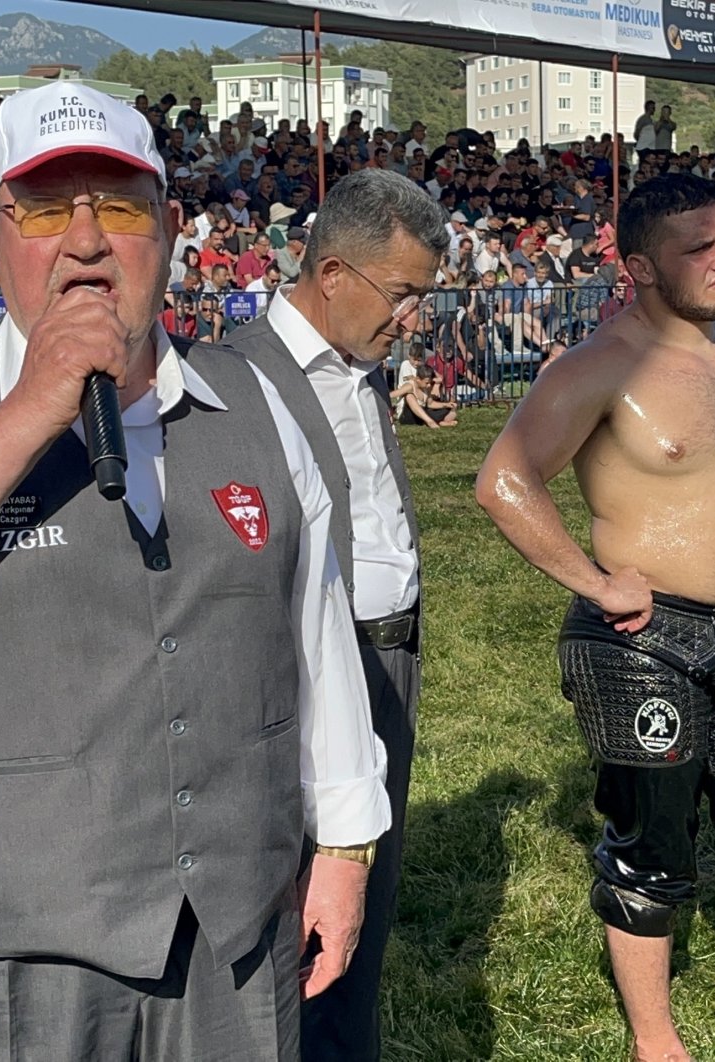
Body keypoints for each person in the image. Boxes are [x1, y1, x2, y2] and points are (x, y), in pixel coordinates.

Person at [0, 82, 389, 1061]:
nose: (87, 240)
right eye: (49, 208)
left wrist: (346, 843)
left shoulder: (257, 404)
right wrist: (31, 410)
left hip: (235, 931)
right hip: (10, 959)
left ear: (171, 230)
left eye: (123, 205)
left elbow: (315, 631)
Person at [475, 174, 715, 1059]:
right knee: (653, 848)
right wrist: (593, 579)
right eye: (700, 247)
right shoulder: (598, 365)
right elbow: (503, 480)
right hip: (639, 641)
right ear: (642, 267)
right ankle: (656, 1042)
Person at [221, 168, 442, 1062]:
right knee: (295, 909)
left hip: (389, 667)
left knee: (362, 899)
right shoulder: (234, 378)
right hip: (303, 673)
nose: (415, 318)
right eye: (405, 294)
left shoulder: (362, 366)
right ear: (334, 274)